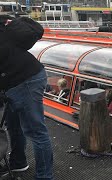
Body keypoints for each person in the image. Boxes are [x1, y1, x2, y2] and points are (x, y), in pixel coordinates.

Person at [0, 15, 53, 179]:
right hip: (15, 80)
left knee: (36, 131)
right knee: (14, 125)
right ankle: (18, 163)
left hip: (27, 80)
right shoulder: (3, 27)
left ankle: (45, 177)